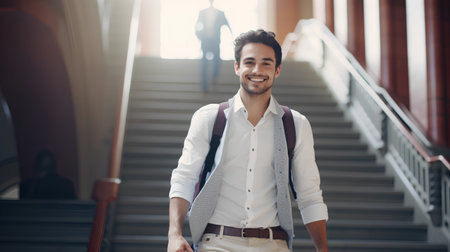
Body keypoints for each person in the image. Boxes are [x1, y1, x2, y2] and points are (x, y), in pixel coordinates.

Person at [168, 29, 328, 252]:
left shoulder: (297, 125)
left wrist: (322, 248)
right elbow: (184, 177)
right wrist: (174, 235)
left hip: (274, 244)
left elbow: (309, 194)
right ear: (237, 67)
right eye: (249, 62)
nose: (257, 70)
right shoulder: (209, 118)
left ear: (277, 70)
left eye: (266, 63)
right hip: (216, 243)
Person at [195, 0, 231, 92]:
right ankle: (204, 86)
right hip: (205, 40)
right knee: (204, 62)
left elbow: (227, 25)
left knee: (217, 59)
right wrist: (198, 35)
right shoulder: (202, 12)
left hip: (215, 41)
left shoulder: (220, 13)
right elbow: (197, 25)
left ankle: (214, 77)